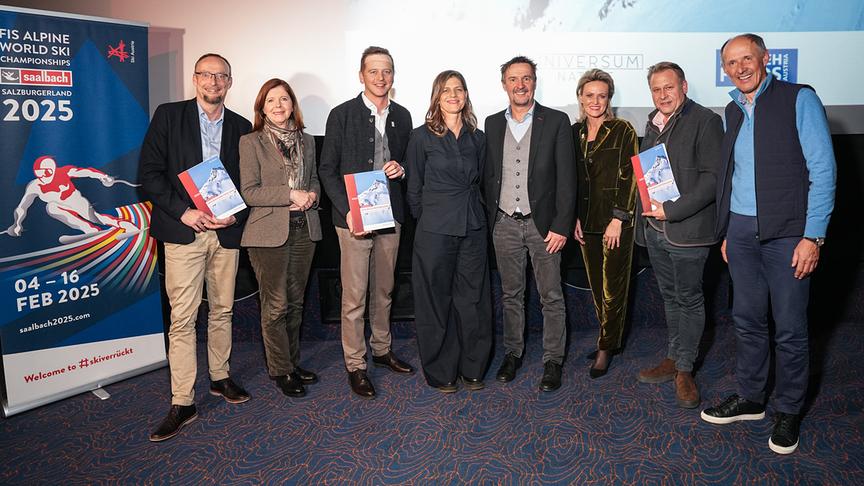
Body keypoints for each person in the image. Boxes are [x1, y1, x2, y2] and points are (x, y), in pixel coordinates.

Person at [701, 34, 836, 455]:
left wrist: (813, 236)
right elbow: (731, 176)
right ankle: (753, 398)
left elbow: (824, 171)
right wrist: (726, 231)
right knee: (747, 319)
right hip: (741, 233)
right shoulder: (731, 110)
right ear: (724, 70)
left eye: (747, 59)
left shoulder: (800, 99)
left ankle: (789, 408)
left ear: (764, 60)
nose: (739, 68)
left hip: (788, 235)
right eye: (730, 63)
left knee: (791, 329)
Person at [139, 53, 252, 442]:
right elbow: (149, 175)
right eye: (206, 75)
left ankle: (220, 377)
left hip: (225, 233)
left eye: (221, 75)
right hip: (183, 231)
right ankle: (183, 400)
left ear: (230, 81)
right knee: (183, 318)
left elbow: (248, 182)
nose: (213, 82)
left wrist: (236, 213)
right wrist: (184, 212)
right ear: (194, 78)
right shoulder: (169, 116)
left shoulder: (242, 126)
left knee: (222, 310)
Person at [318, 46, 415, 399]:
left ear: (393, 75)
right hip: (352, 220)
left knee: (385, 290)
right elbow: (327, 170)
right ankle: (356, 364)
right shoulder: (341, 114)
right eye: (373, 71)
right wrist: (346, 210)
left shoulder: (403, 116)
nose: (381, 77)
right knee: (355, 295)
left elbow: (411, 166)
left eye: (387, 71)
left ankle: (382, 349)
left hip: (391, 216)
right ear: (361, 75)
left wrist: (402, 170)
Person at [483, 56, 576, 392]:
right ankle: (513, 352)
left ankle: (553, 359)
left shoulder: (556, 121)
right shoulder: (491, 124)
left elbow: (568, 179)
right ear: (504, 83)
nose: (520, 85)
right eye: (513, 79)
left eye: (526, 78)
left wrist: (562, 225)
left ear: (534, 82)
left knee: (551, 295)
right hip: (504, 223)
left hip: (544, 226)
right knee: (511, 294)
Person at [635, 62, 723, 408]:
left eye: (668, 87)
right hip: (655, 230)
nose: (662, 95)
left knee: (690, 298)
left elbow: (712, 180)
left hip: (688, 231)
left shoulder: (706, 121)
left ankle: (685, 369)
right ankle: (675, 357)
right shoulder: (652, 124)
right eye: (656, 89)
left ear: (683, 86)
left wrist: (671, 211)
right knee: (670, 297)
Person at [405, 70, 493, 393]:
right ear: (436, 97)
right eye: (446, 91)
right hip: (434, 230)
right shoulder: (420, 136)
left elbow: (483, 181)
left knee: (472, 300)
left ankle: (473, 367)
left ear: (466, 95)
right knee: (435, 300)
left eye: (459, 90)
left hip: (472, 226)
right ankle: (442, 371)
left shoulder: (478, 137)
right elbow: (413, 189)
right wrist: (429, 219)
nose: (453, 95)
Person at [239, 79, 321, 398]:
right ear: (262, 107)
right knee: (275, 305)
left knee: (296, 303)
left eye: (284, 99)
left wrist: (311, 194)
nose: (278, 105)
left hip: (304, 228)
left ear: (292, 105)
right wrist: (290, 193)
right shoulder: (251, 142)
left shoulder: (308, 141)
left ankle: (292, 362)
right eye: (271, 100)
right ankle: (281, 370)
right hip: (267, 233)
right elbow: (249, 192)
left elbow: (313, 178)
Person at [570, 69, 638, 379]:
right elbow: (569, 180)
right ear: (580, 98)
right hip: (586, 221)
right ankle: (606, 337)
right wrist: (572, 218)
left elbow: (631, 176)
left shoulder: (623, 130)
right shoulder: (573, 132)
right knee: (597, 286)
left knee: (613, 287)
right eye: (589, 95)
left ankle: (606, 347)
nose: (595, 101)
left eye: (602, 95)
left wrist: (618, 218)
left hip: (615, 222)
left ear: (609, 98)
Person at [5, 156, 139, 243]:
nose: (43, 176)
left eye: (47, 172)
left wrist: (102, 176)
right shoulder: (34, 186)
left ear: (53, 169)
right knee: (51, 207)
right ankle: (89, 230)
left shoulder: (64, 172)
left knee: (97, 219)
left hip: (75, 201)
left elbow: (85, 172)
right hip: (59, 206)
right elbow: (22, 206)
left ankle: (125, 225)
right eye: (39, 172)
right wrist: (17, 223)